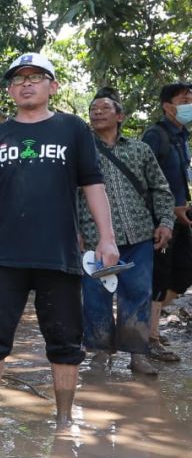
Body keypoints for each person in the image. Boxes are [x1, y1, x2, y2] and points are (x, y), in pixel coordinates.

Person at [0, 52, 119, 426]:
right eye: (18, 79)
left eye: (36, 77)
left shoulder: (72, 129)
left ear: (53, 86)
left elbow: (93, 185)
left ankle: (64, 419)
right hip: (1, 256)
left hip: (58, 254)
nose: (26, 83)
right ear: (11, 90)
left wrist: (106, 239)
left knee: (65, 339)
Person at [78, 87, 173, 376]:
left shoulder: (139, 149)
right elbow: (68, 193)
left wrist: (166, 222)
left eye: (105, 108)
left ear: (120, 115)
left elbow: (160, 188)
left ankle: (137, 354)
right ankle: (98, 353)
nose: (97, 112)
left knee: (137, 294)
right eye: (93, 108)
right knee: (96, 296)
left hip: (138, 237)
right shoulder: (82, 150)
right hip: (95, 239)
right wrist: (75, 230)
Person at [141, 83, 192, 363]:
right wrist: (168, 211)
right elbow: (142, 179)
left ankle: (145, 323)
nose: (189, 104)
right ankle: (149, 337)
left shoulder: (182, 137)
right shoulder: (155, 136)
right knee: (159, 278)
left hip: (181, 218)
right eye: (184, 99)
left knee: (183, 274)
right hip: (160, 221)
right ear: (167, 106)